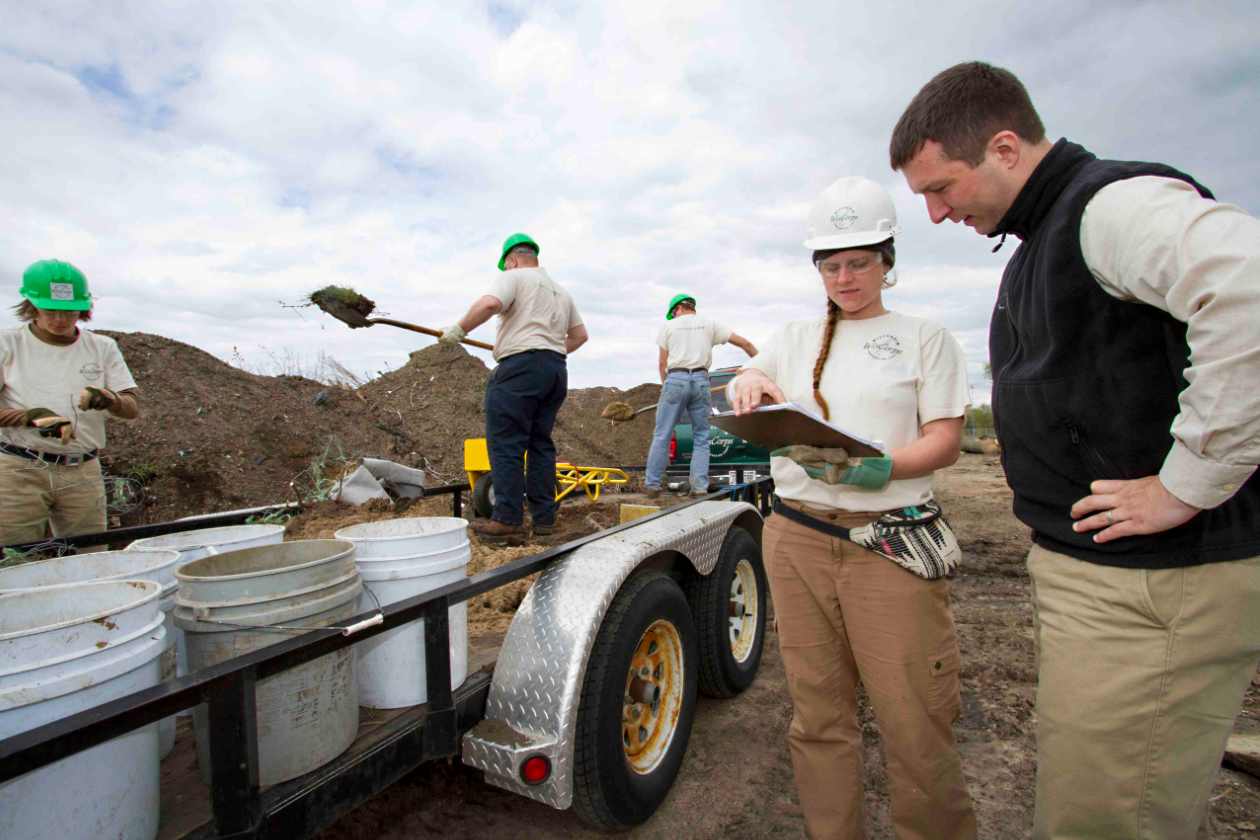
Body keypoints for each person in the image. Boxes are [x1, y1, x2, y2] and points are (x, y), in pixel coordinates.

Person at [891, 61, 1260, 839]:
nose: (933, 213)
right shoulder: (1048, 234)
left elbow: (1248, 290)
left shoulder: (1110, 208)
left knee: (1109, 816)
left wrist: (1187, 484)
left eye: (942, 187)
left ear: (1004, 148)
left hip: (1158, 588)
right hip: (1116, 579)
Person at [730, 176, 976, 840]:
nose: (845, 277)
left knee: (913, 717)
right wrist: (751, 377)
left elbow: (946, 440)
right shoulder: (793, 335)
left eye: (859, 262)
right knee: (818, 715)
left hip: (887, 542)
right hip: (798, 537)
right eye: (831, 265)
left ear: (887, 260)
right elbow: (756, 381)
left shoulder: (924, 338)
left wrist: (883, 468)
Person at [440, 233, 588, 541]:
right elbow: (580, 336)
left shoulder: (515, 277)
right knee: (540, 445)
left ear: (512, 259)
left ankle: (507, 519)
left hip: (520, 368)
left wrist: (459, 329)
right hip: (556, 371)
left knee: (507, 443)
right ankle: (544, 519)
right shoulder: (561, 292)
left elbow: (491, 303)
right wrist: (549, 349)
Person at [0, 260, 141, 553]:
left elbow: (131, 407)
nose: (60, 318)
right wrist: (31, 417)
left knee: (90, 558)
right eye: (50, 309)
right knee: (15, 559)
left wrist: (108, 399)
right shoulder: (8, 344)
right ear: (31, 304)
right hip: (19, 469)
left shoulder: (102, 347)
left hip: (82, 470)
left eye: (69, 310)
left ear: (84, 308)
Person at [643, 294, 756, 497]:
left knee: (662, 434)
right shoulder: (709, 325)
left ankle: (652, 485)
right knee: (701, 438)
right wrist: (761, 368)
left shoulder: (669, 327)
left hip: (675, 379)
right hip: (701, 381)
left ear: (677, 309)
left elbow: (662, 363)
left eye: (673, 313)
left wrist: (666, 386)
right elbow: (745, 343)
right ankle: (699, 488)